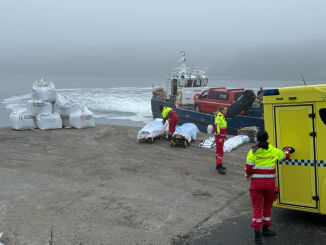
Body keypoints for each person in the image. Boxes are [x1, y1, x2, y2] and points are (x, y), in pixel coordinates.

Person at [245, 130, 293, 244]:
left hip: (256, 184)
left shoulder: (252, 152)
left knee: (257, 208)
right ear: (267, 138)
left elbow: (248, 169)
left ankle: (257, 236)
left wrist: (247, 174)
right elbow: (285, 156)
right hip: (270, 184)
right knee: (267, 205)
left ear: (257, 139)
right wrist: (288, 150)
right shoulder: (274, 150)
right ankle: (266, 229)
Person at [214, 106, 228, 175]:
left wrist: (224, 136)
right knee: (220, 152)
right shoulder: (219, 117)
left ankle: (218, 165)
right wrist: (219, 137)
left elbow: (222, 128)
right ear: (221, 111)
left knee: (218, 151)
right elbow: (217, 128)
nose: (226, 111)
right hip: (219, 137)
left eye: (226, 110)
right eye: (225, 110)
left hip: (221, 137)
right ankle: (219, 167)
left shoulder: (222, 117)